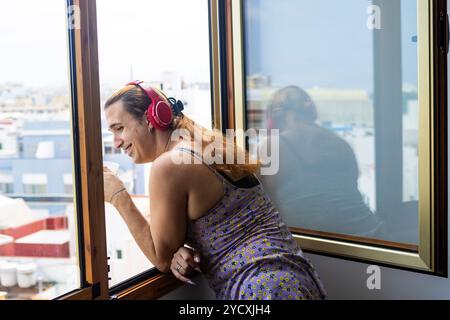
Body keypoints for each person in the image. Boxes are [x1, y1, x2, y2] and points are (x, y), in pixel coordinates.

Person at [103, 81, 327, 300]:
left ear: (150, 119)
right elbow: (221, 223)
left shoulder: (169, 164)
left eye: (119, 129)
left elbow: (161, 259)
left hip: (259, 289)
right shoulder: (204, 145)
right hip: (291, 279)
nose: (116, 143)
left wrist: (118, 196)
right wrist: (185, 249)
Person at [261, 86, 385, 237]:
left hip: (324, 246)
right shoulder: (340, 142)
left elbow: (265, 201)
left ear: (276, 116)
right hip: (374, 235)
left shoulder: (273, 145)